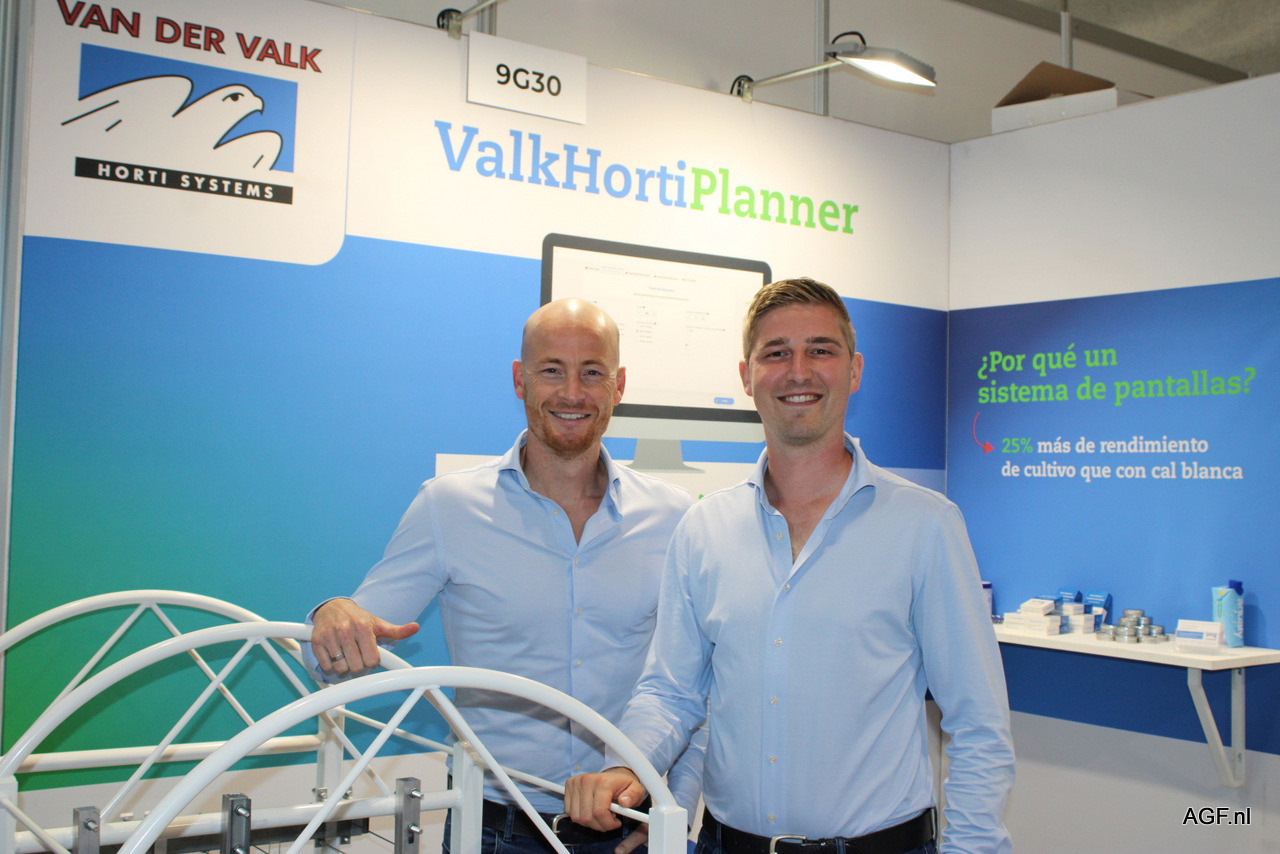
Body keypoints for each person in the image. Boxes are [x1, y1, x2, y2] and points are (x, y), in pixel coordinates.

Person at [565, 278, 1015, 854]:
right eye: (776, 353)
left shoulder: (925, 526)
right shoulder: (704, 529)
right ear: (746, 375)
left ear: (854, 370)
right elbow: (671, 692)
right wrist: (627, 766)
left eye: (820, 350)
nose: (798, 372)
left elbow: (978, 725)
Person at [308, 298, 697, 854]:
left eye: (592, 372)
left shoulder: (673, 515)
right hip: (494, 830)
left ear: (619, 385)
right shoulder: (449, 507)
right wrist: (332, 616)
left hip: (629, 825)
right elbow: (332, 655)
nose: (572, 392)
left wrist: (673, 801)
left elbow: (691, 684)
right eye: (552, 370)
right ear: (520, 380)